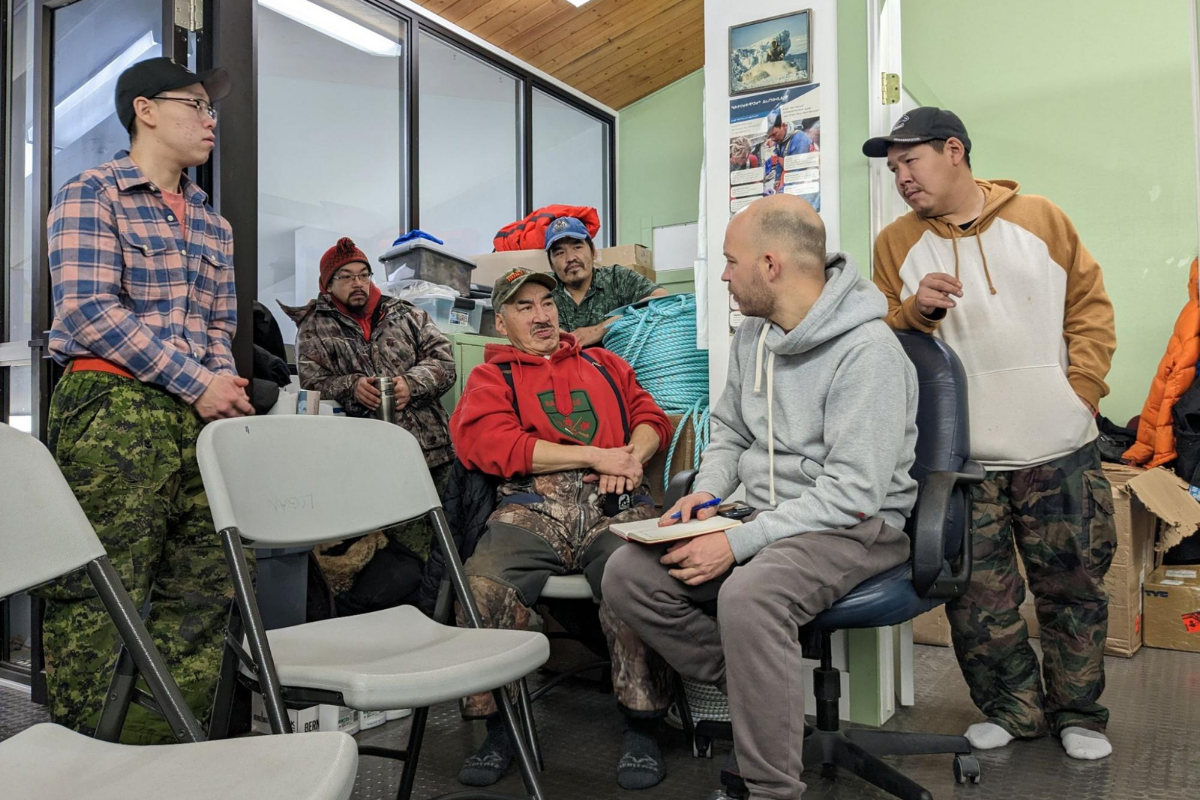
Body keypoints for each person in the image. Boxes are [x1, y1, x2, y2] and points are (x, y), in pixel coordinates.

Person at [604, 194, 919, 800]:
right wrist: (706, 494)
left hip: (853, 525)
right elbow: (730, 432)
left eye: (729, 261)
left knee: (749, 596)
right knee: (627, 575)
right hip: (764, 514)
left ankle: (771, 788)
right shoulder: (753, 334)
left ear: (770, 265)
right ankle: (763, 692)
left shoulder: (869, 351)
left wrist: (736, 540)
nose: (723, 275)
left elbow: (853, 493)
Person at [864, 106, 1118, 760]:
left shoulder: (1041, 218)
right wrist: (914, 311)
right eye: (893, 168)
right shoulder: (895, 243)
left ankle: (1079, 714)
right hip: (964, 464)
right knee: (979, 601)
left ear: (954, 151)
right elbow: (881, 346)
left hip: (1060, 451)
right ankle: (1013, 710)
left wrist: (1081, 393)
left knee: (1074, 590)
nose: (901, 178)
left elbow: (1090, 309)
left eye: (910, 161)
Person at [38, 57, 250, 744]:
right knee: (102, 589)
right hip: (112, 405)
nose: (209, 119)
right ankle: (87, 754)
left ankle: (163, 744)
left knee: (205, 582)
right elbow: (90, 311)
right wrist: (199, 382)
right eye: (194, 104)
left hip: (193, 415)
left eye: (211, 109)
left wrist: (219, 390)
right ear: (145, 110)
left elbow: (219, 324)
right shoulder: (90, 194)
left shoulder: (214, 226)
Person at [450, 267, 675, 790]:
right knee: (482, 587)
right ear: (502, 323)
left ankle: (643, 725)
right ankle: (500, 728)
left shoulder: (605, 362)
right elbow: (487, 442)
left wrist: (629, 458)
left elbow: (651, 418)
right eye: (523, 307)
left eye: (545, 303)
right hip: (531, 504)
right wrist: (593, 453)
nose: (541, 315)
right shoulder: (493, 376)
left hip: (613, 500)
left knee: (636, 580)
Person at [287, 236, 456, 612]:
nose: (358, 283)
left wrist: (410, 384)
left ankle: (445, 623)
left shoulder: (408, 314)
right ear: (327, 285)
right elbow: (311, 383)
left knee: (445, 547)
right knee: (393, 556)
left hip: (429, 454)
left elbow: (445, 364)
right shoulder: (314, 326)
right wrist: (351, 387)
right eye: (346, 276)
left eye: (363, 274)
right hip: (364, 463)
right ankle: (404, 627)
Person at [545, 216, 666, 347]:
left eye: (577, 247)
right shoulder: (543, 288)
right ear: (551, 264)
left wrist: (601, 328)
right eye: (559, 253)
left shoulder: (616, 278)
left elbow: (661, 297)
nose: (570, 258)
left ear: (593, 252)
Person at [763, 108, 813, 194]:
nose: (772, 139)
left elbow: (797, 174)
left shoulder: (799, 141)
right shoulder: (780, 140)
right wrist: (777, 180)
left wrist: (780, 193)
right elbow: (779, 161)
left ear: (784, 125)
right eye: (770, 136)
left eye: (774, 134)